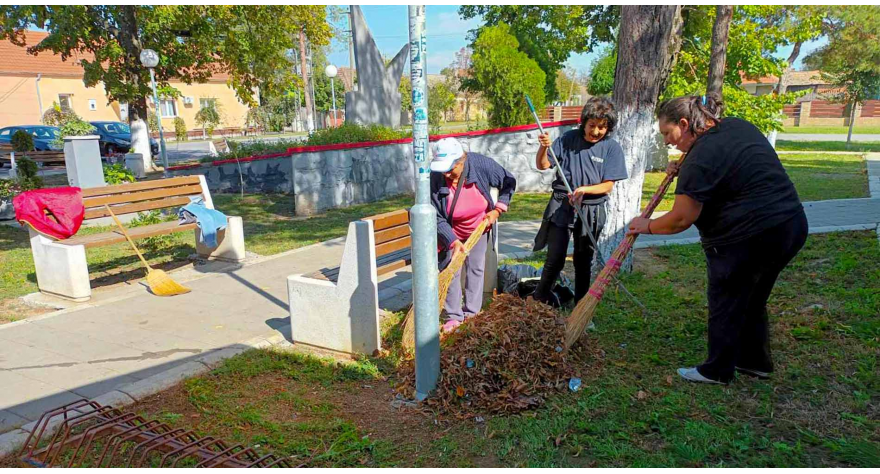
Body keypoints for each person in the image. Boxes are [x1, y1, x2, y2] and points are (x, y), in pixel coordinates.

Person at [627, 92, 808, 385]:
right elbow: (726, 167)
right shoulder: (736, 126)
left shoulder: (699, 160)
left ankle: (717, 370)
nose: (666, 142)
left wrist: (644, 226)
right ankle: (755, 362)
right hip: (791, 226)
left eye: (667, 133)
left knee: (726, 297)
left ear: (684, 124)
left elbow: (681, 219)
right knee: (751, 297)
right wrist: (684, 166)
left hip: (748, 238)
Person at [532, 97, 628, 307]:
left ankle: (580, 307)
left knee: (583, 261)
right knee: (555, 258)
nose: (595, 132)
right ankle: (538, 302)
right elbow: (543, 164)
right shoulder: (567, 139)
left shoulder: (611, 148)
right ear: (583, 122)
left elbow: (607, 185)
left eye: (602, 127)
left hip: (591, 210)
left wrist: (584, 190)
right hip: (561, 205)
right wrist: (543, 148)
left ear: (608, 127)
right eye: (592, 125)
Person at [430, 137, 517, 332]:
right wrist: (452, 241)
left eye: (451, 169)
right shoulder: (435, 177)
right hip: (450, 231)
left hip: (479, 228)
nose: (446, 174)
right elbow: (434, 215)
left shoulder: (480, 164)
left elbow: (509, 182)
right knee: (451, 271)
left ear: (461, 161)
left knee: (476, 269)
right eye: (443, 169)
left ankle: (471, 312)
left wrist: (497, 210)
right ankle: (453, 316)